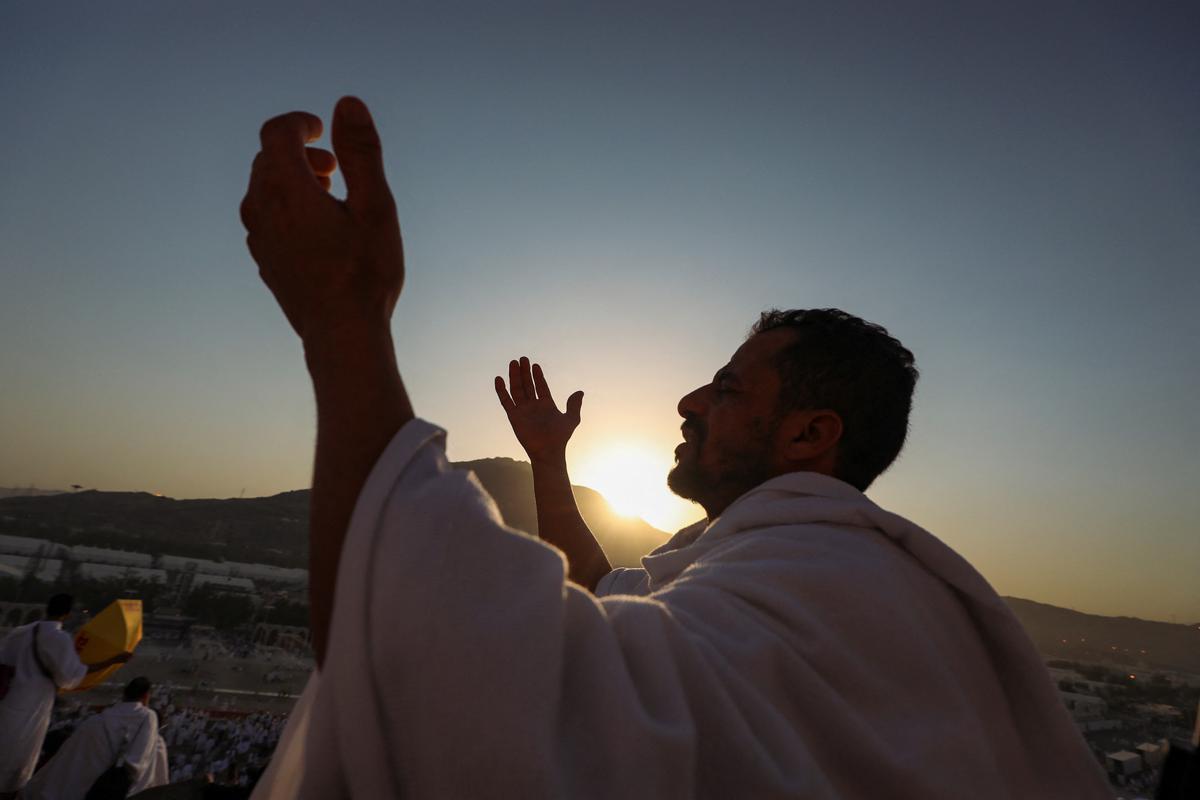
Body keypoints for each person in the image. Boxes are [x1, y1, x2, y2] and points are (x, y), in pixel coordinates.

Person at [239, 97, 1112, 798]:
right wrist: (550, 461)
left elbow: (497, 696)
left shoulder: (841, 583)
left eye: (727, 390)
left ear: (811, 435)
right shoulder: (784, 561)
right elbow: (609, 595)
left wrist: (340, 317)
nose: (691, 402)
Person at [0, 595, 130, 799]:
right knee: (16, 763)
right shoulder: (59, 638)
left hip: (8, 700)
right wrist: (112, 660)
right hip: (33, 705)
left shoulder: (21, 632)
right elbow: (71, 678)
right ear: (67, 614)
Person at [21, 676, 158, 800]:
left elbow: (66, 758)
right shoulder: (148, 716)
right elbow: (139, 759)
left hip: (83, 775)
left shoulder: (98, 719)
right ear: (146, 696)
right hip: (110, 780)